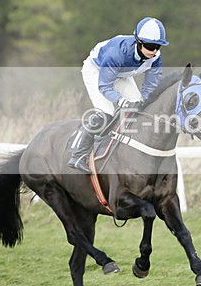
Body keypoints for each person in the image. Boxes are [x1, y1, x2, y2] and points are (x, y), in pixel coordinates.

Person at [67, 17, 168, 172]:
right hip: (97, 71)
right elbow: (105, 86)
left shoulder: (155, 57)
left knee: (139, 109)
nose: (154, 51)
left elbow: (150, 86)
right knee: (106, 114)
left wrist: (145, 100)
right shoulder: (116, 53)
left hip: (122, 73)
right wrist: (121, 101)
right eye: (150, 46)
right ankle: (78, 153)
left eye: (158, 46)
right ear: (138, 42)